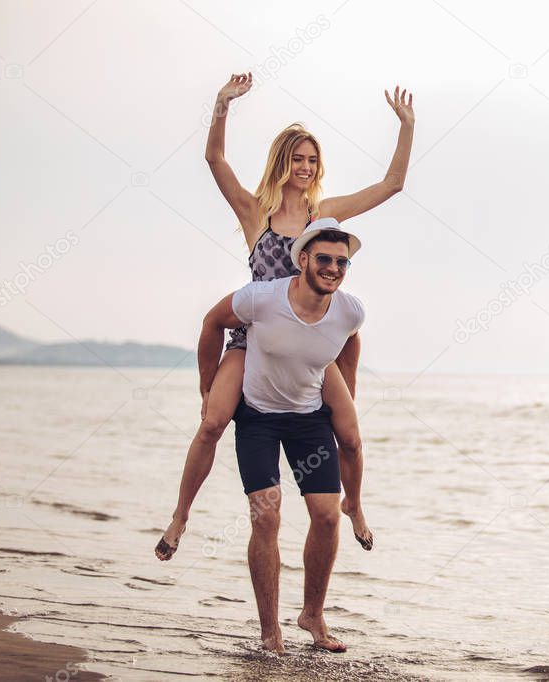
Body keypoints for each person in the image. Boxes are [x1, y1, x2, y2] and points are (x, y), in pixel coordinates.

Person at [155, 72, 415, 560]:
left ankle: (353, 506)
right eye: (297, 158)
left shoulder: (326, 214)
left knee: (352, 434)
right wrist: (222, 103)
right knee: (212, 423)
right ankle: (179, 516)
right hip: (252, 339)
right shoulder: (257, 212)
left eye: (312, 160)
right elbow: (214, 159)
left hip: (309, 344)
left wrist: (406, 126)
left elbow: (393, 184)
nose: (305, 166)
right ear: (282, 161)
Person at [204, 224, 364, 653]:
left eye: (342, 261)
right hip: (257, 417)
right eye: (325, 259)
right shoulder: (262, 298)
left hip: (307, 418)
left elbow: (350, 343)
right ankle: (270, 632)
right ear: (305, 260)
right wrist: (207, 387)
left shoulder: (350, 310)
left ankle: (312, 614)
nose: (333, 268)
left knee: (328, 516)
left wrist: (347, 391)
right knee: (267, 515)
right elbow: (213, 321)